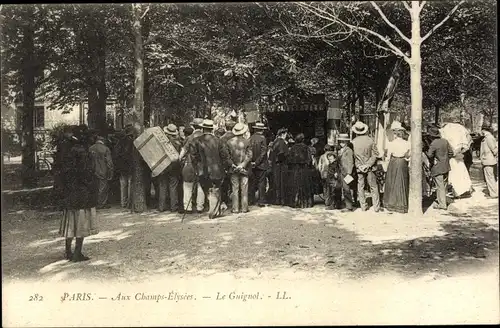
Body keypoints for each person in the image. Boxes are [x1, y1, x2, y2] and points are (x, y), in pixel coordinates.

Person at [59, 125, 98, 262]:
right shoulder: (84, 153)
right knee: (81, 222)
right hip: (81, 193)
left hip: (70, 191)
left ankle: (68, 252)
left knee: (70, 222)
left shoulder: (67, 150)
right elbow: (86, 173)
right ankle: (77, 253)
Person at [191, 119, 232, 219]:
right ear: (211, 129)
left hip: (202, 171)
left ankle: (213, 210)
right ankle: (214, 211)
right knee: (216, 189)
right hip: (217, 170)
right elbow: (224, 156)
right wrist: (227, 167)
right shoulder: (218, 140)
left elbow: (193, 157)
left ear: (203, 128)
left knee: (208, 189)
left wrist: (196, 168)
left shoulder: (196, 140)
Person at [351, 121, 381, 212]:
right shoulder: (371, 140)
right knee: (373, 186)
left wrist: (359, 165)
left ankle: (363, 206)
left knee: (361, 187)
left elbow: (353, 157)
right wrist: (368, 164)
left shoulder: (353, 142)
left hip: (359, 168)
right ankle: (376, 206)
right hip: (370, 167)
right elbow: (376, 154)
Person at [383, 121, 410, 213]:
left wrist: (386, 166)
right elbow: (408, 155)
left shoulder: (391, 143)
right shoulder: (407, 143)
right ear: (402, 134)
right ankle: (401, 204)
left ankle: (391, 203)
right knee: (402, 181)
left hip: (393, 162)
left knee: (392, 182)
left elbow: (388, 156)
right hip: (402, 162)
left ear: (396, 134)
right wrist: (407, 160)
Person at [179, 118, 204, 213]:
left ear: (193, 126)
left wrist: (180, 159)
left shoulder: (189, 138)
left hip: (189, 164)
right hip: (202, 165)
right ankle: (200, 207)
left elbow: (183, 152)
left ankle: (188, 208)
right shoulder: (205, 137)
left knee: (187, 186)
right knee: (200, 186)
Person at [227, 123, 253, 213]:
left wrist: (233, 165)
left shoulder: (229, 142)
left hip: (233, 168)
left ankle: (235, 208)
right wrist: (242, 165)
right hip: (244, 169)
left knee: (235, 188)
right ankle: (244, 208)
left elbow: (227, 157)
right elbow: (249, 155)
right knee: (244, 188)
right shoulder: (247, 141)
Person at [426, 126, 454, 210]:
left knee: (440, 186)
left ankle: (442, 204)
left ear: (431, 136)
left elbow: (430, 155)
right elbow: (451, 153)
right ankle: (442, 201)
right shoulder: (445, 141)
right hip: (446, 166)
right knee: (443, 186)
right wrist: (445, 159)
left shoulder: (434, 143)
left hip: (438, 167)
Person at [158, 124, 182, 212]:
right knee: (173, 187)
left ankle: (161, 206)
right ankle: (173, 207)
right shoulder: (178, 143)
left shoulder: (161, 142)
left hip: (163, 166)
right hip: (174, 167)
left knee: (162, 186)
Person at [288, 133, 314, 208]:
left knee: (296, 185)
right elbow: (309, 160)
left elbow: (290, 159)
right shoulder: (306, 147)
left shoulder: (293, 148)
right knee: (305, 186)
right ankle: (306, 203)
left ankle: (296, 202)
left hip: (295, 169)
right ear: (303, 140)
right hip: (304, 169)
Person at [89, 134, 114, 209]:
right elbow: (109, 162)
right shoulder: (106, 149)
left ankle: (94, 203)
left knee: (94, 187)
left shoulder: (90, 148)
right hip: (103, 171)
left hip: (93, 171)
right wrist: (111, 171)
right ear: (103, 141)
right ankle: (101, 204)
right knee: (103, 188)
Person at [113, 124, 134, 209]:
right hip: (128, 165)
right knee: (129, 184)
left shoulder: (120, 141)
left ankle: (123, 202)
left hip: (121, 166)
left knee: (123, 184)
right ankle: (129, 202)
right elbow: (128, 153)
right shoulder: (130, 141)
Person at [249, 122, 269, 207]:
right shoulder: (263, 138)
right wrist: (257, 162)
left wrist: (252, 162)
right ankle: (261, 201)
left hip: (252, 164)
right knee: (261, 183)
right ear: (262, 130)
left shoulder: (250, 138)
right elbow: (263, 152)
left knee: (252, 182)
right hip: (261, 165)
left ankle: (251, 200)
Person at [269, 128, 289, 205]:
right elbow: (282, 154)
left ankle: (276, 199)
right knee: (282, 182)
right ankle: (282, 200)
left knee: (276, 182)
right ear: (283, 134)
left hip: (275, 165)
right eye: (285, 134)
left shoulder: (274, 142)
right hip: (281, 165)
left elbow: (271, 155)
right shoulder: (282, 142)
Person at [219, 120, 237, 209]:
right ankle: (235, 202)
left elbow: (220, 153)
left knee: (224, 184)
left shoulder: (221, 138)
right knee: (235, 184)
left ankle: (225, 201)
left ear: (226, 127)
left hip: (224, 164)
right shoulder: (236, 137)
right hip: (235, 164)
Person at [337, 134, 355, 212]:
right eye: (340, 142)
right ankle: (344, 204)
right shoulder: (340, 150)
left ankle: (349, 206)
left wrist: (349, 173)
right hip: (341, 171)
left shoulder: (349, 151)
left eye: (343, 142)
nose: (341, 143)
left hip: (346, 172)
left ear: (346, 142)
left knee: (346, 189)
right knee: (343, 189)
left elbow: (351, 162)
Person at [480, 124, 498, 198]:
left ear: (483, 130)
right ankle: (493, 192)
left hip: (488, 160)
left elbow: (494, 149)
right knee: (490, 177)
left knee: (490, 177)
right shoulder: (487, 137)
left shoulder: (488, 138)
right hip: (488, 160)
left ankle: (493, 194)